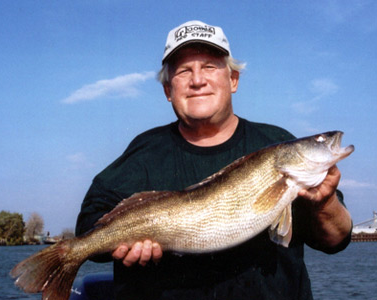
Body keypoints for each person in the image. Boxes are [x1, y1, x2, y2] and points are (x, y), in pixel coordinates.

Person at [76, 20, 352, 299]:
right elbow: (88, 225)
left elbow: (335, 239)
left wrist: (326, 201)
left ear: (233, 79)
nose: (198, 80)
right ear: (168, 90)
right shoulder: (144, 152)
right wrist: (119, 245)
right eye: (184, 71)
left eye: (209, 66)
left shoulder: (274, 142)